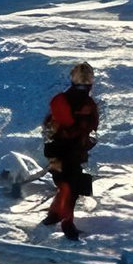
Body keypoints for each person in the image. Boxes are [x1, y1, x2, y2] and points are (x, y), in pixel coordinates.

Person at [42, 61, 99, 240]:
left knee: (70, 186)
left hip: (72, 151)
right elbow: (63, 127)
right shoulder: (65, 101)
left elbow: (92, 126)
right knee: (67, 187)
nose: (84, 86)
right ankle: (62, 219)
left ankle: (58, 216)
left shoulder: (81, 102)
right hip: (61, 151)